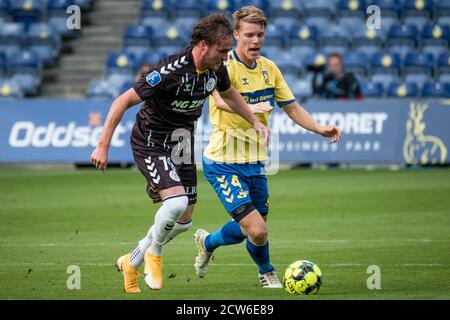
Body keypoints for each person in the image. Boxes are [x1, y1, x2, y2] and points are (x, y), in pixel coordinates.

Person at [90, 13, 269, 293]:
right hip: (151, 140)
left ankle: (132, 259)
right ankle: (155, 254)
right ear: (202, 46)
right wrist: (103, 144)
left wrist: (254, 121)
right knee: (174, 204)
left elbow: (230, 94)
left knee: (184, 222)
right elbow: (123, 100)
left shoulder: (215, 69)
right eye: (221, 51)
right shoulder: (168, 71)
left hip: (182, 141)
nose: (225, 57)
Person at [194, 6, 341, 288]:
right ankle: (267, 272)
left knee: (251, 231)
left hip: (255, 162)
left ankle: (207, 242)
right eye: (249, 34)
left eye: (260, 34)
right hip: (222, 161)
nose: (255, 40)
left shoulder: (269, 69)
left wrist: (320, 128)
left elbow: (293, 108)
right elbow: (219, 101)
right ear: (235, 34)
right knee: (258, 230)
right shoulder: (222, 66)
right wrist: (250, 108)